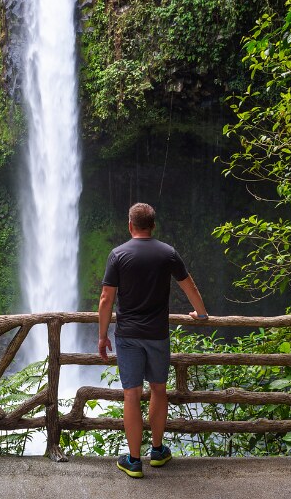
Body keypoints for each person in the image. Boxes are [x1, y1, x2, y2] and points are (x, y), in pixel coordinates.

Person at [98, 203, 209, 479]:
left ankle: (134, 460)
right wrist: (202, 314)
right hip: (158, 334)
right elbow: (189, 285)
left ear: (130, 225)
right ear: (153, 225)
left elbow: (105, 299)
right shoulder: (167, 253)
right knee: (159, 389)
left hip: (128, 336)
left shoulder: (118, 255)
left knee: (131, 394)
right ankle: (157, 451)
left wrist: (101, 336)